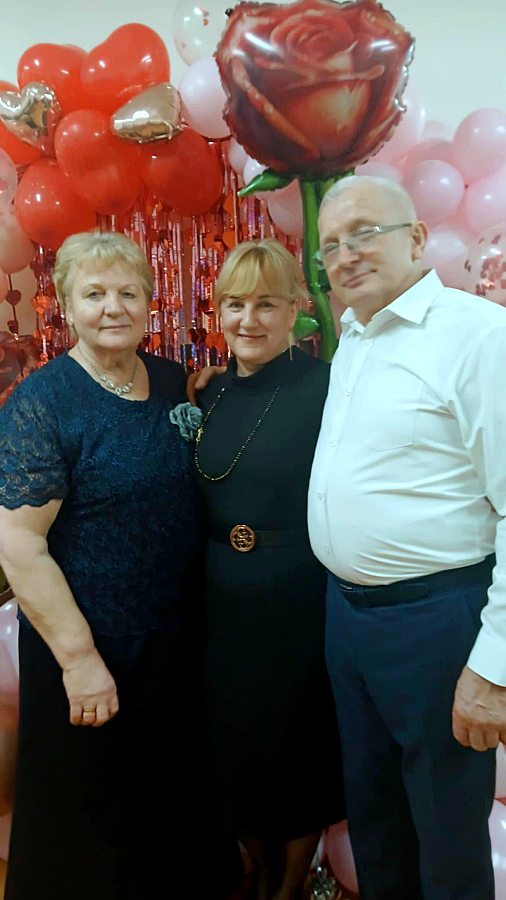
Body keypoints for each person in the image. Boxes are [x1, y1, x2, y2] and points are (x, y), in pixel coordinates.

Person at [0, 230, 241, 899]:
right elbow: (19, 544)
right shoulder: (43, 404)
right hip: (90, 648)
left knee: (172, 810)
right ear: (68, 305)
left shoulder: (169, 381)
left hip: (176, 642)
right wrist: (80, 661)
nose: (114, 307)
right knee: (94, 822)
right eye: (95, 293)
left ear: (148, 300)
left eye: (128, 292)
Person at [308, 174, 506, 899]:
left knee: (447, 837)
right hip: (349, 619)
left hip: (436, 624)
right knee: (376, 821)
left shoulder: (480, 337)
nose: (347, 254)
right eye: (331, 245)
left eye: (364, 233)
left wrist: (494, 666)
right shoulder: (355, 337)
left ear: (417, 238)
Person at [173, 238, 345, 900]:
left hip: (296, 595)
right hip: (221, 600)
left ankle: (291, 885)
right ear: (218, 310)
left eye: (266, 304)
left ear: (296, 309)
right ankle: (262, 871)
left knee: (295, 745)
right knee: (235, 745)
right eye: (235, 304)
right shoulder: (208, 392)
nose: (249, 320)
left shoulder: (326, 387)